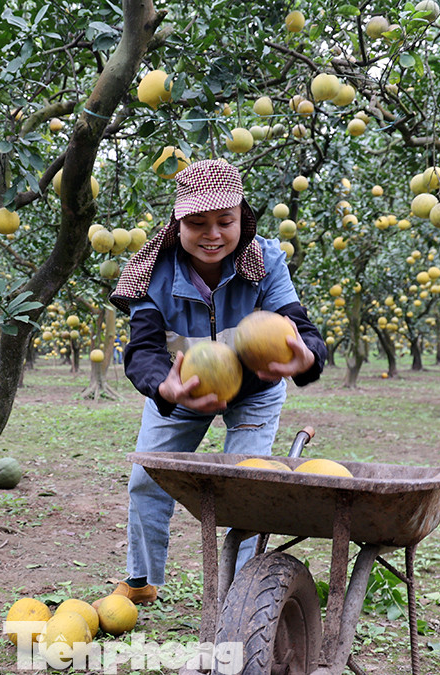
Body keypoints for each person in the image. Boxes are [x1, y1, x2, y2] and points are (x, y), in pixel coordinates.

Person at [98, 159, 329, 606]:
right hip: (182, 389)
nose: (213, 234)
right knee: (147, 478)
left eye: (225, 221)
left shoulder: (265, 261)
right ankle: (141, 580)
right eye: (197, 223)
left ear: (243, 219)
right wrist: (164, 387)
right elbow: (143, 350)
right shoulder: (154, 272)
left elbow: (302, 329)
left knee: (245, 487)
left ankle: (238, 593)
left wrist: (305, 357)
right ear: (177, 223)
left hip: (254, 392)